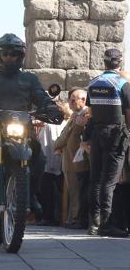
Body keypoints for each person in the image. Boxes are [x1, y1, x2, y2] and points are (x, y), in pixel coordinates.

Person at [0, 33, 63, 215]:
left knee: (39, 159)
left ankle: (30, 195)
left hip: (22, 129)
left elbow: (41, 95)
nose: (9, 57)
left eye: (13, 53)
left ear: (20, 56)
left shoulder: (29, 79)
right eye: (5, 53)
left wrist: (50, 106)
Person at [83, 48, 130, 237]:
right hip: (116, 134)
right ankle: (107, 223)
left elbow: (91, 114)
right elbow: (128, 113)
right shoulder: (122, 83)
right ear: (120, 62)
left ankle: (93, 224)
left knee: (95, 179)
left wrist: (86, 138)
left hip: (97, 132)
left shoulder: (93, 83)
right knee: (110, 181)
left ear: (104, 62)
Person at [55, 89, 90, 229]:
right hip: (70, 159)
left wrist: (58, 145)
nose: (71, 102)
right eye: (71, 99)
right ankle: (71, 218)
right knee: (72, 191)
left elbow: (66, 137)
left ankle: (76, 219)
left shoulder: (86, 115)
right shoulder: (75, 115)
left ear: (83, 100)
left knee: (77, 191)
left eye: (74, 99)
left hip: (78, 161)